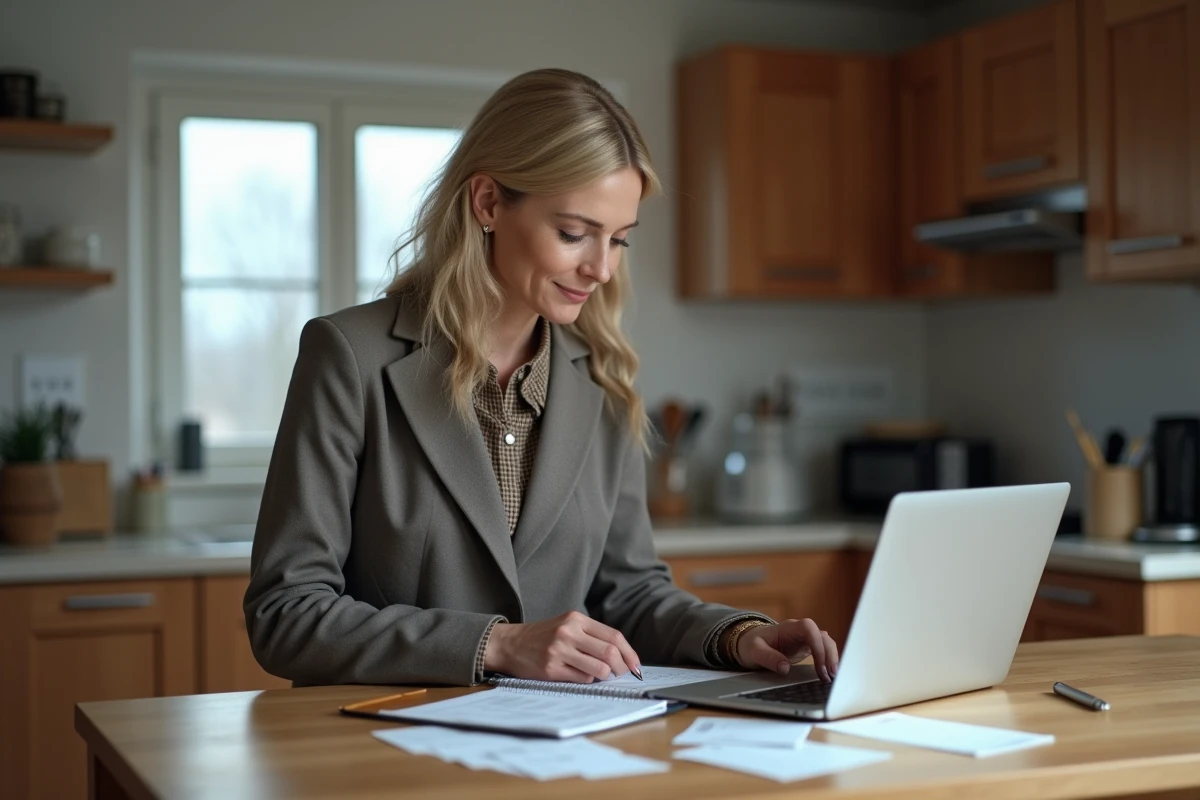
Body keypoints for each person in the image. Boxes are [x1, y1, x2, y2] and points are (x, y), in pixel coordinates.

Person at [244, 68, 839, 687]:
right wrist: (496, 645)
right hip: (380, 746)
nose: (601, 268)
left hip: (556, 753)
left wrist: (739, 636)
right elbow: (286, 614)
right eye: (574, 234)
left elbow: (629, 594)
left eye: (619, 241)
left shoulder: (603, 380)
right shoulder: (349, 356)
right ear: (488, 203)